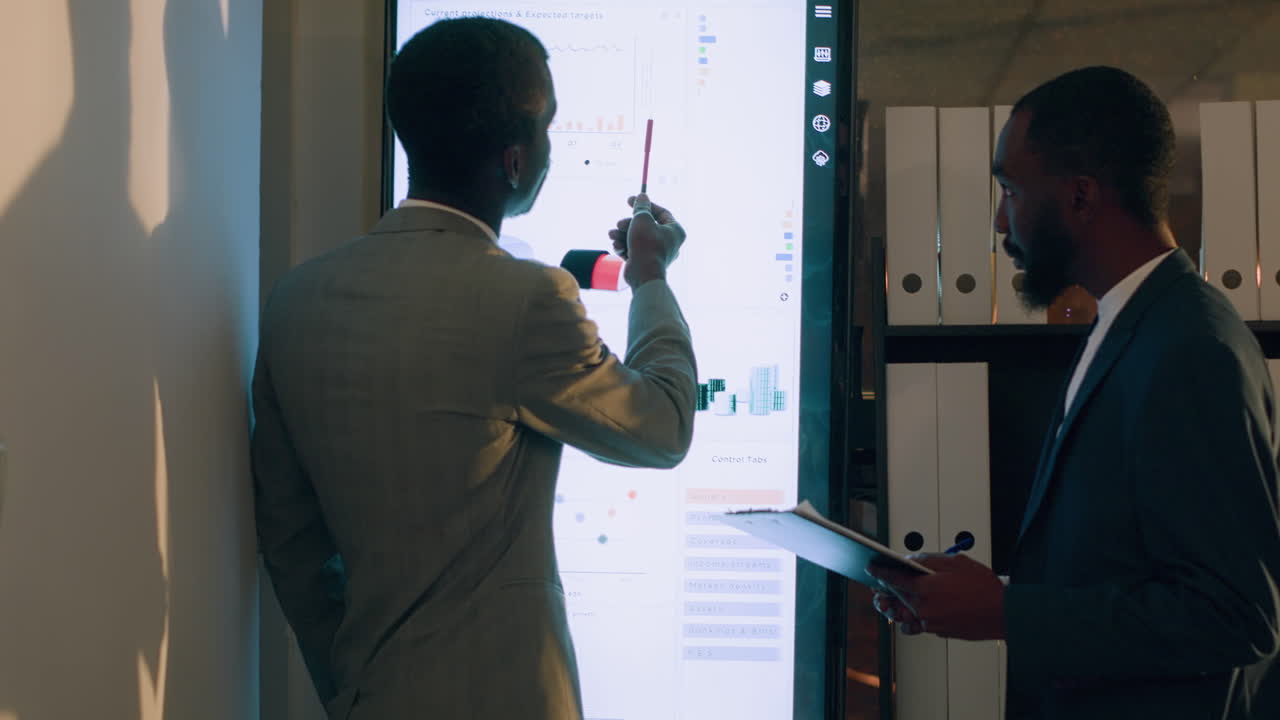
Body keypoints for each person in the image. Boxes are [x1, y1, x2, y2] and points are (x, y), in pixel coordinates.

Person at [251, 17, 696, 720]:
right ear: (514, 161)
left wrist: (354, 689)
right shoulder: (527, 297)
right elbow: (662, 426)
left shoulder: (294, 301)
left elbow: (291, 544)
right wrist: (649, 276)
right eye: (548, 128)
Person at [870, 66, 1280, 719]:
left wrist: (1008, 612)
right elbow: (1122, 567)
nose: (1000, 220)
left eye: (1011, 191)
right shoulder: (1130, 322)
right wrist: (987, 596)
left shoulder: (1190, 347)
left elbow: (1233, 614)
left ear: (1081, 197)